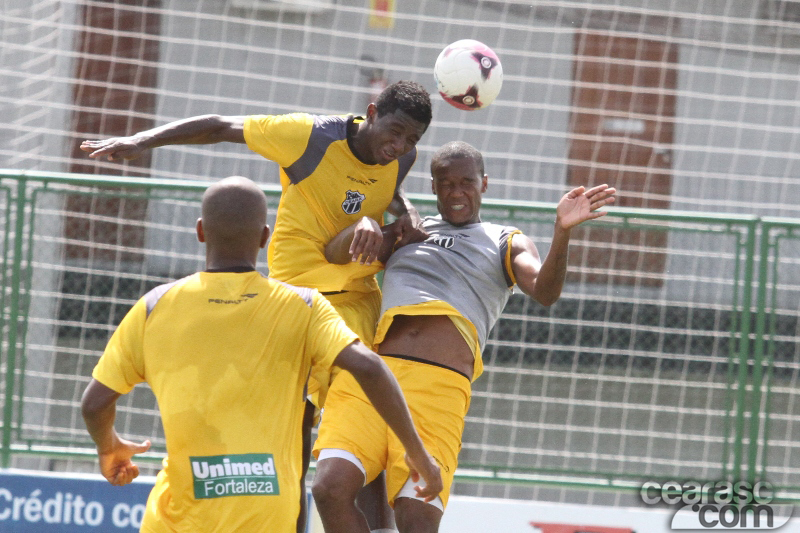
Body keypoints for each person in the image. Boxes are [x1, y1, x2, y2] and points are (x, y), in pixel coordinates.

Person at [80, 80, 433, 532]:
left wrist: (407, 211)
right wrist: (141, 140)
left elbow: (387, 191)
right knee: (294, 445)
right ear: (371, 112)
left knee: (358, 438)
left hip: (356, 300)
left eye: (412, 140)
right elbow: (220, 126)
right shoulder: (310, 137)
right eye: (395, 132)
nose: (399, 145)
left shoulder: (402, 158)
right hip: (294, 302)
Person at [311, 141, 616, 533]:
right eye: (446, 183)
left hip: (438, 390)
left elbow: (544, 290)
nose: (456, 192)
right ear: (434, 187)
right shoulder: (409, 232)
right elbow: (335, 255)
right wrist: (363, 226)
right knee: (328, 488)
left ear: (484, 184)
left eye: (466, 182)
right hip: (372, 375)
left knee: (416, 518)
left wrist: (562, 232)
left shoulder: (506, 239)